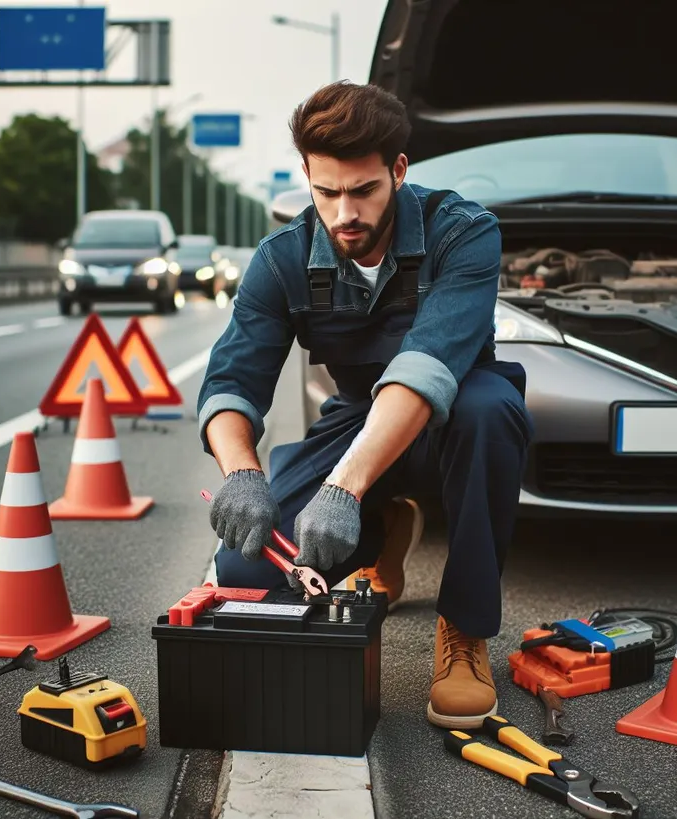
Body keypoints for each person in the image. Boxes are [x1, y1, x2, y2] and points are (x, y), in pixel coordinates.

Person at [197, 81, 533, 729]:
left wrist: (344, 488)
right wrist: (240, 470)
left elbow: (426, 366)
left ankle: (463, 629)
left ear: (397, 171)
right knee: (244, 567)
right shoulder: (281, 259)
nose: (344, 211)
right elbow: (232, 380)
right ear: (307, 178)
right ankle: (384, 529)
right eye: (326, 192)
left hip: (457, 412)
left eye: (363, 190)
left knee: (491, 410)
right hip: (355, 420)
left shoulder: (462, 233)